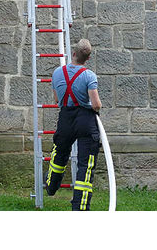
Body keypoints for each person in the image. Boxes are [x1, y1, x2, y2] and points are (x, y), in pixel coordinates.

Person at [45, 38, 102, 211]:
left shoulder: (57, 73)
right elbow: (96, 104)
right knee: (86, 164)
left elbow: (56, 99)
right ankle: (80, 207)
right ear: (88, 58)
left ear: (74, 53)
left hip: (66, 119)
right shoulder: (89, 76)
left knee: (59, 153)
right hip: (86, 121)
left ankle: (51, 185)